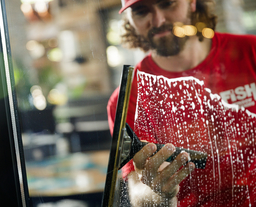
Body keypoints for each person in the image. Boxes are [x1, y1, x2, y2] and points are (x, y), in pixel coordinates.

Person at [107, 0, 256, 206]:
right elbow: (138, 192)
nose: (158, 20)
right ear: (130, 20)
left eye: (167, 3)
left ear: (192, 2)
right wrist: (158, 193)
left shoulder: (251, 52)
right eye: (141, 11)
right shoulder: (128, 98)